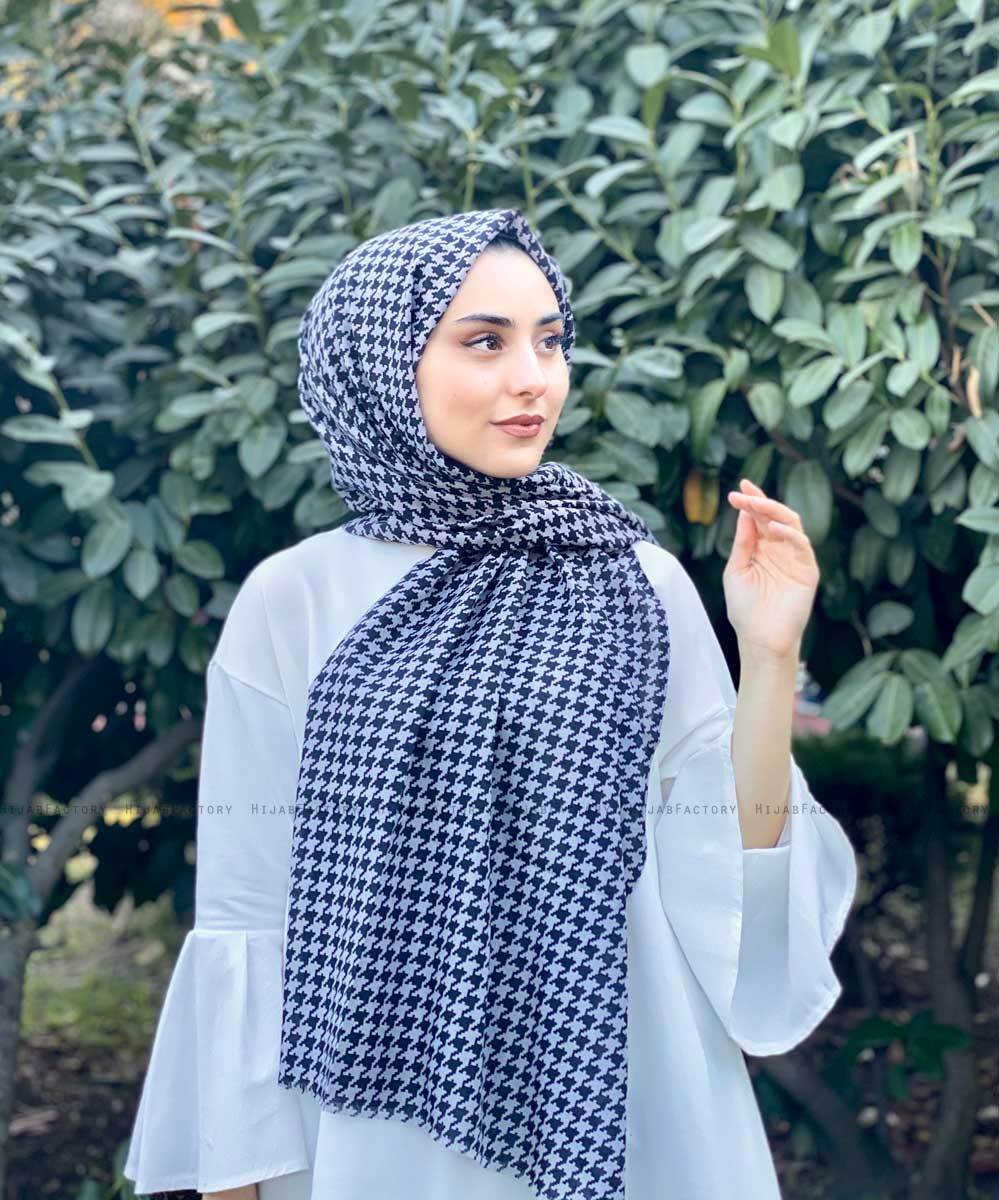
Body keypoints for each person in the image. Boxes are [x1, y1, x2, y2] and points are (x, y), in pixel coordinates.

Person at [122, 208, 858, 1200]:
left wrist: (769, 656)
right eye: (485, 342)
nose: (534, 378)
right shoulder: (295, 600)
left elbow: (728, 854)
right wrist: (235, 1181)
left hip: (624, 1093)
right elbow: (247, 912)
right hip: (382, 1118)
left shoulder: (632, 582)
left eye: (550, 341)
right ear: (383, 366)